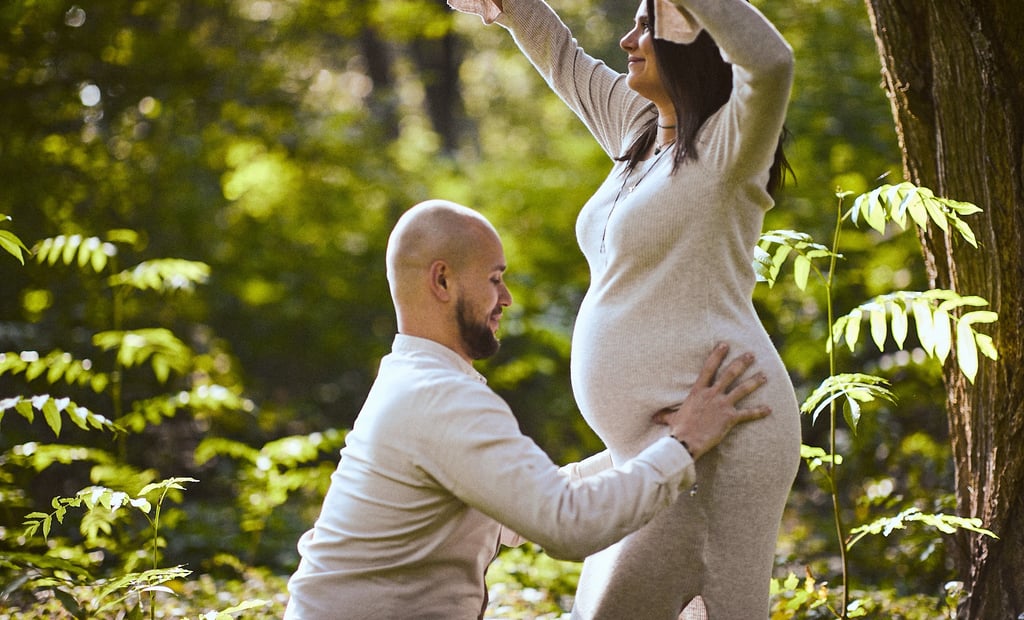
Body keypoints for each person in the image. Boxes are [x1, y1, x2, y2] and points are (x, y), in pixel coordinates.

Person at [447, 0, 802, 618]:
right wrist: (509, 6)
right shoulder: (641, 127)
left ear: (693, 40)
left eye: (648, 24)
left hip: (726, 429)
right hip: (651, 442)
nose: (627, 37)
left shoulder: (728, 146)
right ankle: (529, 507)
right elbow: (564, 58)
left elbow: (770, 64)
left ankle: (526, 511)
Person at [283, 199, 773, 619]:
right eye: (495, 279)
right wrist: (683, 444)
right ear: (442, 281)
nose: (507, 298)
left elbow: (521, 511)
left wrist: (646, 448)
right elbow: (568, 524)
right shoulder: (441, 399)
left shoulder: (413, 381)